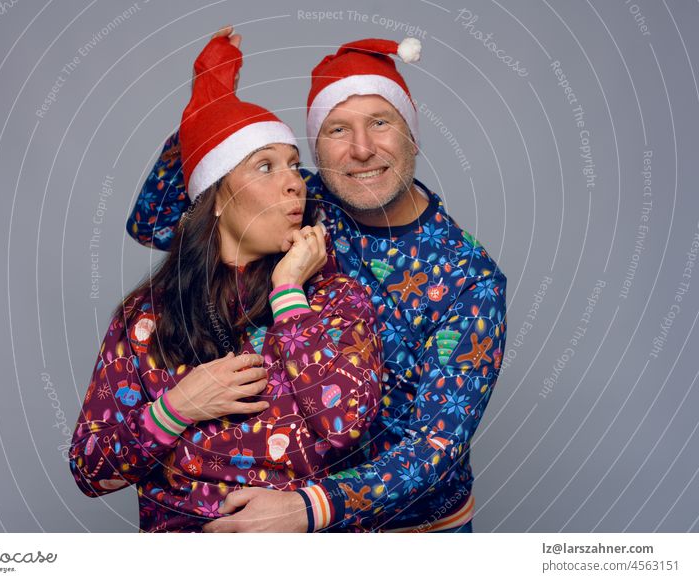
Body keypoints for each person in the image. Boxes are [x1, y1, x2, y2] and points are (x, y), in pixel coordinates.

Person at [127, 27, 508, 533]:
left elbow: (435, 444)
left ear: (411, 133)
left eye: (380, 122)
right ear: (316, 148)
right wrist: (209, 106)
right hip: (277, 521)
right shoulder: (302, 200)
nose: (362, 149)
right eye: (337, 130)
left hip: (409, 531)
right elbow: (156, 223)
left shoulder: (468, 278)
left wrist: (308, 507)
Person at [68, 35, 383, 532]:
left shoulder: (335, 298)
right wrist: (176, 408)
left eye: (294, 166)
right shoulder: (148, 318)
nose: (294, 182)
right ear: (216, 197)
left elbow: (343, 425)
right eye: (265, 166)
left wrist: (288, 292)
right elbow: (90, 471)